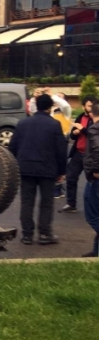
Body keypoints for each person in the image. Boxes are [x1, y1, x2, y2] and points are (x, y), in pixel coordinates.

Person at [9, 94, 68, 245]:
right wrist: (62, 171)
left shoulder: (23, 123)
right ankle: (44, 233)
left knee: (27, 202)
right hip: (47, 169)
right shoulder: (54, 125)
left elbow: (12, 147)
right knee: (46, 202)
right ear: (50, 107)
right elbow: (61, 151)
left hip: (26, 168)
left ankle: (27, 235)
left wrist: (14, 165)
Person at [60, 97, 96, 213]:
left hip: (90, 156)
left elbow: (94, 135)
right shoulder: (81, 117)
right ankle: (71, 204)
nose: (91, 109)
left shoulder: (95, 119)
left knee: (92, 182)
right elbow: (72, 136)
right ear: (83, 107)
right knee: (71, 177)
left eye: (93, 106)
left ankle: (94, 208)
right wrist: (75, 133)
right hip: (78, 153)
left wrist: (83, 129)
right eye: (89, 106)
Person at [81, 103, 99, 256]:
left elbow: (97, 149)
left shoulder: (94, 128)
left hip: (96, 177)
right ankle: (96, 250)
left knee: (92, 215)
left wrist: (97, 170)